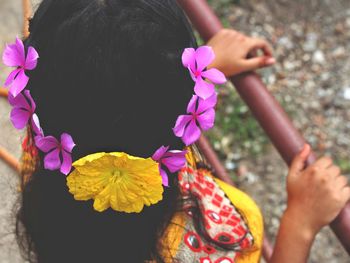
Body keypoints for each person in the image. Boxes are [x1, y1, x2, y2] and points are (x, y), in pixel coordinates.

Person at [6, 0, 348, 262]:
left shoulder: (46, 151)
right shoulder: (220, 240)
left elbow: (102, 97)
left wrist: (188, 70)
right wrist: (299, 226)